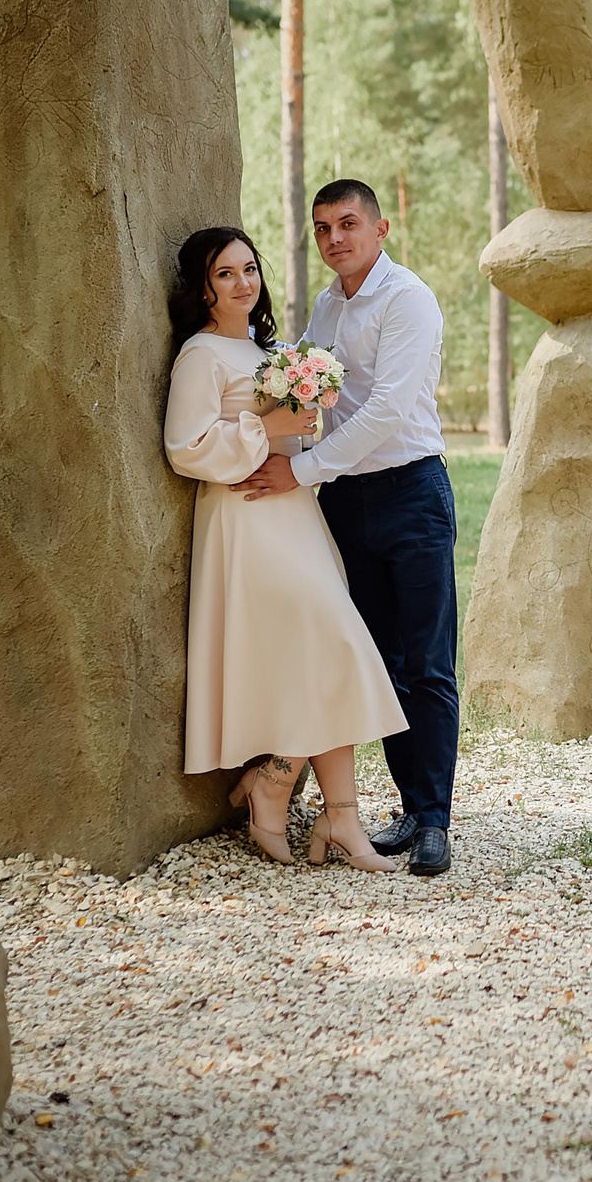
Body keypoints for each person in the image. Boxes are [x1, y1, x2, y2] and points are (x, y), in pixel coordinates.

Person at [163, 225, 407, 871]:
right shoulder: (202, 355)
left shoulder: (267, 350)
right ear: (204, 289)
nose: (244, 283)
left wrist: (299, 425)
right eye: (225, 274)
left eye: (250, 268)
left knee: (330, 648)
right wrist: (263, 427)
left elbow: (287, 440)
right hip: (244, 518)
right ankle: (275, 783)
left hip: (293, 510)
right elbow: (185, 446)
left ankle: (338, 816)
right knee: (330, 643)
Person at [234, 180, 458, 877]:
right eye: (324, 228)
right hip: (346, 503)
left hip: (412, 491)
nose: (336, 238)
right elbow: (304, 397)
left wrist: (300, 475)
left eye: (349, 223)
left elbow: (387, 410)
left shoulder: (408, 300)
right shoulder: (328, 308)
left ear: (381, 227)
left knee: (425, 663)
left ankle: (433, 822)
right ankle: (402, 805)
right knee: (375, 660)